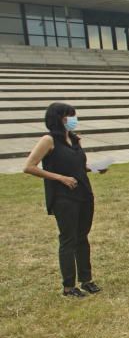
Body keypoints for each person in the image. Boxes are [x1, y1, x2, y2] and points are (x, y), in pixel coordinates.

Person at [22, 102, 104, 298]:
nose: (73, 120)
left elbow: (77, 165)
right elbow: (29, 167)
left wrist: (94, 168)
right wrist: (61, 178)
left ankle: (87, 280)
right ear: (58, 118)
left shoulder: (75, 140)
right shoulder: (48, 140)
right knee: (68, 239)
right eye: (69, 116)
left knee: (82, 237)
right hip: (63, 197)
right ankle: (69, 286)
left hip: (83, 193)